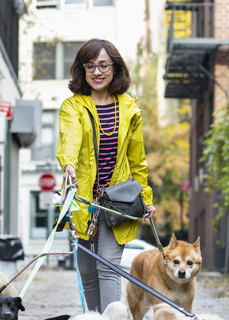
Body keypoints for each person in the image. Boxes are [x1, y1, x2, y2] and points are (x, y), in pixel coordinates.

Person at [56, 38, 156, 313]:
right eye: (90, 66)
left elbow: (138, 161)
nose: (97, 72)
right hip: (83, 199)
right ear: (82, 70)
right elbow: (70, 140)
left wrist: (145, 199)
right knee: (88, 273)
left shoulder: (129, 109)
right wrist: (69, 166)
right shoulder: (73, 107)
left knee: (108, 266)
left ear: (115, 68)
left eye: (103, 65)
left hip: (117, 201)